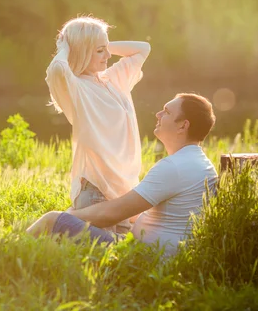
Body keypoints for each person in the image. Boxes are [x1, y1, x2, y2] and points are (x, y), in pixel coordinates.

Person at [28, 93, 218, 256]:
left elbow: (111, 214)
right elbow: (160, 214)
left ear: (182, 126)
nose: (158, 114)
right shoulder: (200, 162)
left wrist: (68, 215)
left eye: (167, 112)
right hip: (161, 252)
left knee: (51, 220)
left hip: (144, 255)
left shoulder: (174, 167)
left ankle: (6, 255)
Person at [46, 16, 151, 234]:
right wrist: (69, 46)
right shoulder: (76, 88)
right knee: (94, 260)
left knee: (115, 260)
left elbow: (143, 49)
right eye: (100, 51)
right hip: (96, 191)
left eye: (106, 49)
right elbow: (57, 68)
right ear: (82, 51)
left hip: (124, 192)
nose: (109, 56)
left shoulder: (113, 79)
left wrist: (100, 43)